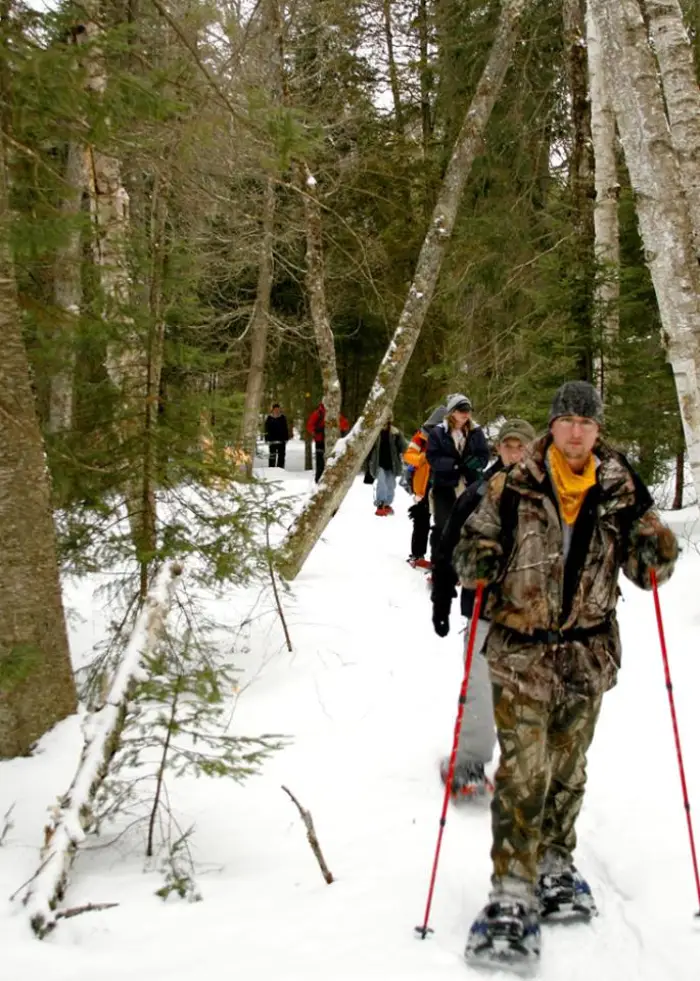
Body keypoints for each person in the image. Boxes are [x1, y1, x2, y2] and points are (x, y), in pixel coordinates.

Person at [453, 381, 679, 967]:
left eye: (587, 420)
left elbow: (644, 570)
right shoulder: (513, 483)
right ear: (551, 426)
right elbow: (472, 545)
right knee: (525, 771)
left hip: (586, 655)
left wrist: (658, 550)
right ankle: (512, 890)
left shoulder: (621, 487)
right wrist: (475, 561)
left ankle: (556, 862)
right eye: (567, 419)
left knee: (567, 767)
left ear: (598, 429)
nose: (577, 430)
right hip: (521, 653)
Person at [431, 419, 536, 799]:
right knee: (480, 690)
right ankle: (469, 765)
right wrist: (440, 603)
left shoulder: (545, 496)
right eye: (510, 446)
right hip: (484, 611)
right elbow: (445, 553)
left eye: (523, 446)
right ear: (499, 449)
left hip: (530, 615)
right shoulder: (475, 494)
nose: (516, 452)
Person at [426, 393, 489, 565]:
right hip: (444, 485)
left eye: (468, 410)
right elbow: (432, 457)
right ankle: (438, 565)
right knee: (442, 525)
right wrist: (454, 465)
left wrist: (477, 463)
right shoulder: (438, 432)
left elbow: (484, 455)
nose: (466, 413)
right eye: (462, 409)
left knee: (468, 524)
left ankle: (463, 564)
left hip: (470, 485)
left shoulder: (476, 431)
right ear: (452, 411)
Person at [403, 404, 446, 568]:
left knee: (442, 523)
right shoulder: (421, 437)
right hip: (423, 485)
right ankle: (417, 555)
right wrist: (422, 458)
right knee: (421, 520)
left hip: (443, 484)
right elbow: (408, 455)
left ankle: (441, 559)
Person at [366, 420, 408, 516]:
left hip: (392, 464)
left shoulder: (395, 433)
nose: (384, 424)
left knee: (391, 484)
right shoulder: (374, 432)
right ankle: (380, 504)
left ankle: (387, 504)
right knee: (382, 483)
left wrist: (398, 435)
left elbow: (404, 447)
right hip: (378, 463)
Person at [306, 402, 350, 482]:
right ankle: (319, 480)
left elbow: (345, 425)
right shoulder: (318, 413)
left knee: (330, 461)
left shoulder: (334, 414)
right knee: (320, 462)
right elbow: (310, 426)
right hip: (320, 441)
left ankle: (328, 479)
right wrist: (316, 431)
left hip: (331, 442)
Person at [264, 403, 290, 468]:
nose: (277, 411)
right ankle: (271, 469)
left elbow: (285, 428)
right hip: (272, 441)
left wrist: (286, 438)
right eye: (275, 409)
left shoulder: (282, 417)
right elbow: (266, 429)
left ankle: (280, 469)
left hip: (281, 441)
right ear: (272, 410)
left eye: (278, 409)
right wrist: (267, 439)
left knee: (281, 456)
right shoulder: (269, 418)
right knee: (272, 456)